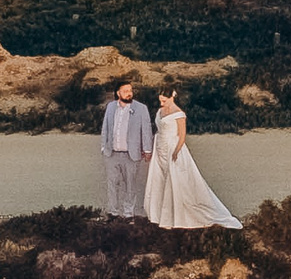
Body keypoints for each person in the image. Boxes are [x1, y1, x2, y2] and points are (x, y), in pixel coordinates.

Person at [144, 87, 241, 229]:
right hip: (160, 148)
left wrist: (176, 151)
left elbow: (182, 136)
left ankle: (182, 215)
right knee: (161, 180)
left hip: (172, 147)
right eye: (160, 100)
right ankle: (161, 214)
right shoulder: (160, 111)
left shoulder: (179, 114)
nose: (161, 103)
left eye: (164, 100)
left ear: (172, 97)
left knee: (177, 181)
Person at [98, 81, 153, 218]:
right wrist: (104, 147)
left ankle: (128, 214)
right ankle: (113, 213)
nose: (129, 93)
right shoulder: (111, 107)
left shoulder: (141, 108)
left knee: (130, 185)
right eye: (126, 90)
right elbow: (105, 127)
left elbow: (146, 130)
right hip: (112, 153)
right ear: (118, 93)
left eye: (131, 90)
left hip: (131, 155)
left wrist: (147, 150)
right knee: (112, 184)